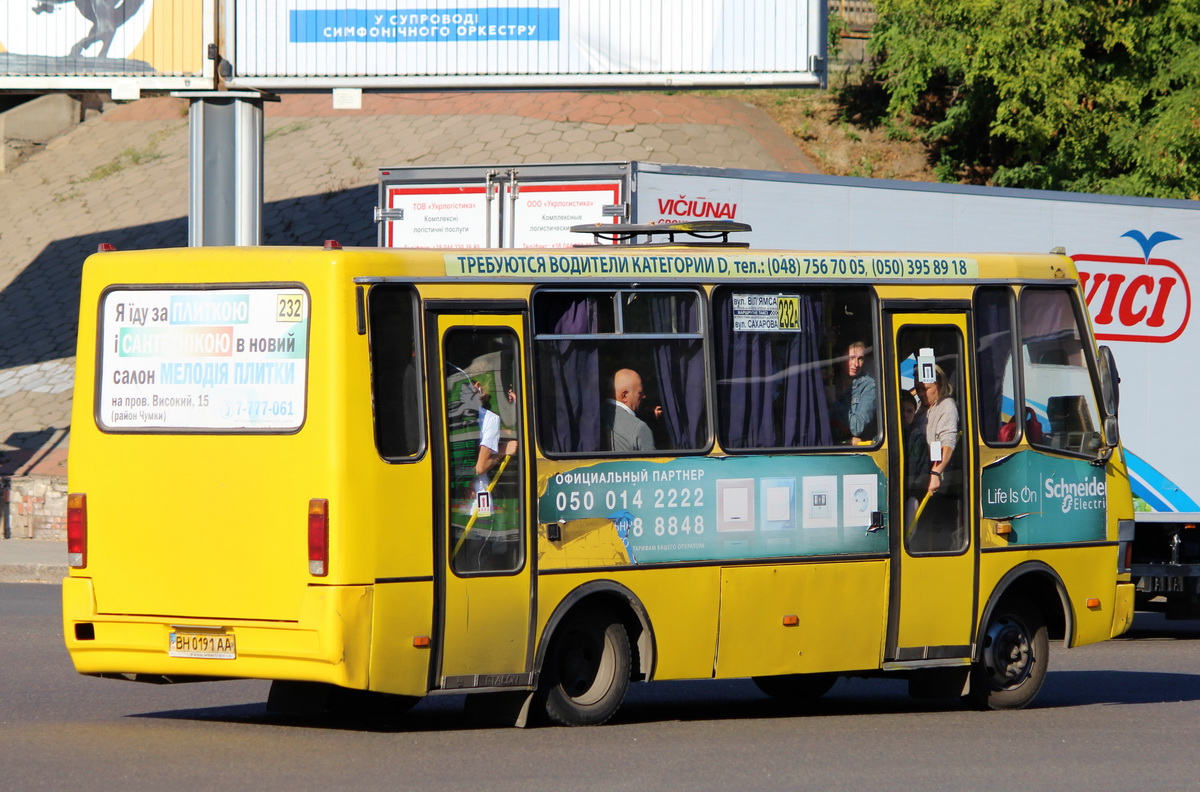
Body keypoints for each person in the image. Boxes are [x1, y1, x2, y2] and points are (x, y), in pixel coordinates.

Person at [831, 340, 878, 443]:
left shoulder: (869, 386)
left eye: (860, 359)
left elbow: (858, 426)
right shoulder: (830, 381)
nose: (856, 364)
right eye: (851, 358)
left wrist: (833, 402)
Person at [602, 368, 656, 452]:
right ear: (624, 396)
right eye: (640, 392)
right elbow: (652, 464)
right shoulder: (639, 428)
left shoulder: (595, 417)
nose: (644, 396)